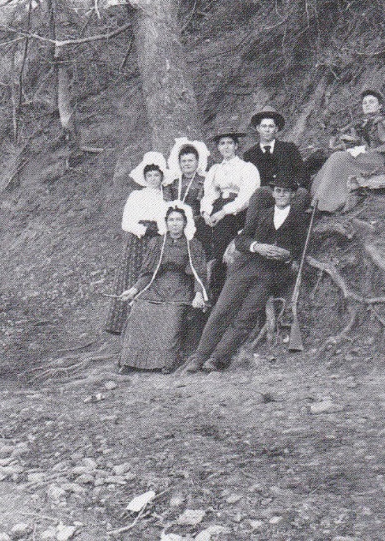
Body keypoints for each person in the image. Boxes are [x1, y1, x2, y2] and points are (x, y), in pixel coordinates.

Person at [185, 173, 309, 373]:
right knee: (222, 309)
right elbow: (241, 240)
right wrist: (256, 246)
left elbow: (299, 249)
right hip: (246, 267)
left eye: (286, 192)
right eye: (278, 191)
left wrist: (287, 255)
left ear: (293, 195)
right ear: (273, 193)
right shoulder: (262, 213)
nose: (281, 195)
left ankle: (218, 359)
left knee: (245, 317)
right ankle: (199, 357)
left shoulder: (299, 219)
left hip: (270, 275)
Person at [118, 201, 209, 373]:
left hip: (180, 287)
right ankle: (129, 361)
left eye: (179, 220)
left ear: (185, 223)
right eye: (171, 220)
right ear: (166, 223)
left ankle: (164, 362)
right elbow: (147, 273)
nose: (175, 224)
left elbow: (199, 273)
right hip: (156, 286)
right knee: (140, 310)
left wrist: (198, 294)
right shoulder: (157, 242)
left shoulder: (193, 244)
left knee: (171, 317)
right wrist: (134, 290)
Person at [104, 151, 173, 335]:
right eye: (149, 175)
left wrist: (159, 231)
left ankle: (147, 325)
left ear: (161, 177)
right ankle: (121, 324)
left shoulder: (166, 199)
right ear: (144, 177)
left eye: (156, 175)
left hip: (158, 239)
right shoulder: (136, 195)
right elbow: (126, 222)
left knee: (152, 276)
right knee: (132, 275)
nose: (152, 179)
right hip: (138, 240)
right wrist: (144, 230)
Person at [310, 90, 385, 212]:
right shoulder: (365, 123)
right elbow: (362, 142)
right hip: (368, 158)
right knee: (336, 156)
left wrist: (368, 151)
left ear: (380, 106)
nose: (367, 105)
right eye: (364, 103)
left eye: (371, 102)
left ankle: (326, 204)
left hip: (383, 160)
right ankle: (317, 199)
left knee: (339, 158)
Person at [199, 128, 260, 298]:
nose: (226, 147)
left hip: (237, 210)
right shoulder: (215, 169)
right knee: (199, 228)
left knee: (223, 234)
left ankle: (221, 287)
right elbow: (210, 194)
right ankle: (202, 284)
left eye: (229, 143)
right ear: (218, 148)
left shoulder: (246, 168)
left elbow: (247, 196)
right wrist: (206, 212)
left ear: (236, 146)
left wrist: (224, 212)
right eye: (222, 143)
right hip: (218, 206)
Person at [244, 106, 307, 190]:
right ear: (258, 128)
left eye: (271, 126)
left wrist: (293, 186)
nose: (267, 130)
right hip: (262, 197)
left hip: (286, 193)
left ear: (276, 129)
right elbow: (247, 182)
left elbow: (302, 174)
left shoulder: (289, 149)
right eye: (264, 126)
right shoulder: (249, 154)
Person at [165, 137, 210, 248]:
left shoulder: (204, 181)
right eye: (183, 161)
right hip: (174, 220)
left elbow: (205, 203)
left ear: (197, 162)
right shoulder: (172, 181)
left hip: (197, 221)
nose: (187, 164)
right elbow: (166, 202)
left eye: (190, 160)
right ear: (179, 163)